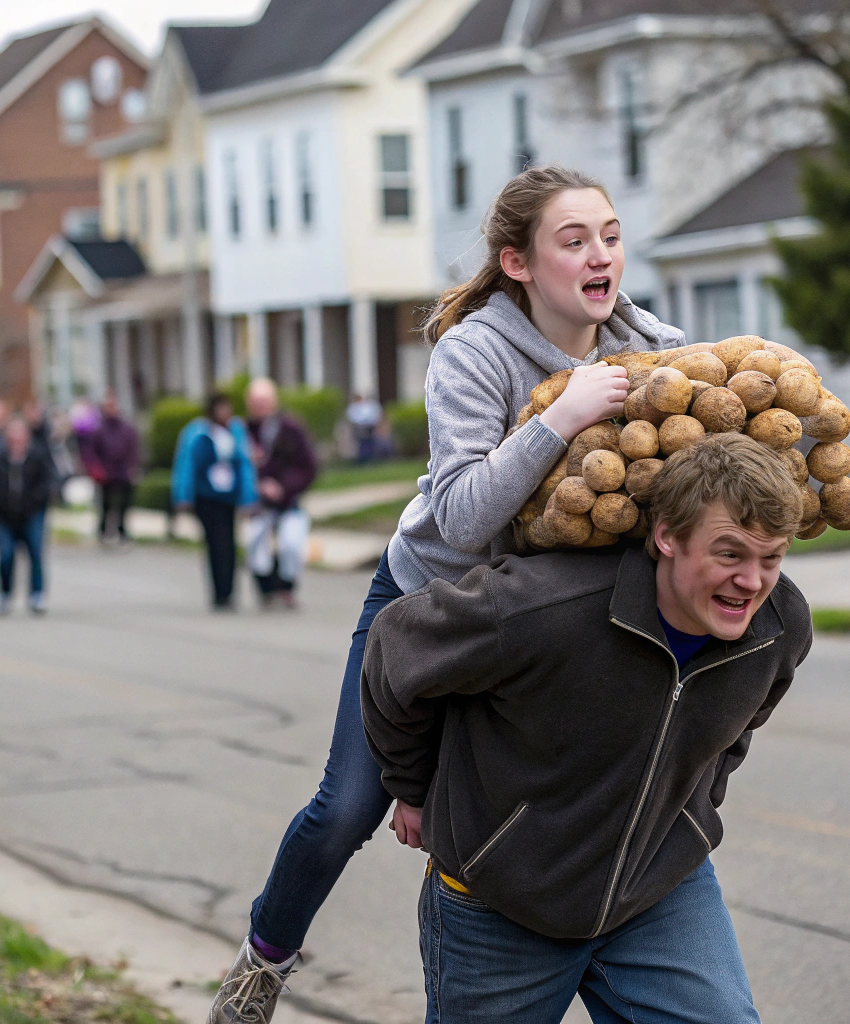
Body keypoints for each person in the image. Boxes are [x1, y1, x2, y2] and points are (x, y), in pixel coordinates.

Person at [207, 165, 686, 1024]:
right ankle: (262, 959)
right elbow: (463, 517)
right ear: (518, 263)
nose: (600, 253)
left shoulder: (649, 347)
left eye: (609, 235)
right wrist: (560, 418)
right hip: (427, 605)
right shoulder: (474, 351)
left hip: (541, 628)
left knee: (505, 818)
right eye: (573, 240)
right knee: (351, 806)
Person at [363, 434, 813, 1024]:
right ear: (668, 537)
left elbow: (734, 732)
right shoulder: (537, 610)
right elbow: (395, 649)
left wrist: (683, 812)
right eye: (730, 554)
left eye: (771, 558)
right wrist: (413, 785)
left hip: (656, 893)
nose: (752, 582)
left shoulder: (780, 628)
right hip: (503, 903)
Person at [178, 393, 256, 609]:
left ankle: (229, 590)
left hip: (227, 497)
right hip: (207, 497)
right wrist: (183, 496)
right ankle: (218, 592)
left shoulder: (235, 431)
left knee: (229, 544)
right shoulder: (198, 432)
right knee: (215, 544)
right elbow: (187, 465)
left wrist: (249, 497)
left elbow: (244, 464)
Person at [245, 379, 318, 609]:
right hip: (257, 504)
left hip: (288, 502)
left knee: (290, 545)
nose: (261, 407)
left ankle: (286, 588)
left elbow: (307, 466)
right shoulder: (244, 431)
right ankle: (266, 589)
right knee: (254, 544)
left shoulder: (290, 429)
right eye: (256, 403)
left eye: (265, 402)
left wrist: (283, 487)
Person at [0, 416, 54, 615]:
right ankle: (5, 593)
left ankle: (37, 594)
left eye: (20, 436)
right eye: (12, 437)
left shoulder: (38, 457)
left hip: (32, 514)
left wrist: (36, 502)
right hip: (4, 516)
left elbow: (48, 482)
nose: (16, 441)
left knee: (35, 553)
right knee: (5, 554)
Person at [90, 392, 139, 544]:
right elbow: (93, 451)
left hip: (122, 471)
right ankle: (104, 530)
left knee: (124, 503)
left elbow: (133, 449)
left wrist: (132, 467)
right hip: (106, 472)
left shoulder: (126, 429)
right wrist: (97, 469)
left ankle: (121, 530)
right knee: (105, 504)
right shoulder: (99, 430)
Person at [346, 393, 385, 462]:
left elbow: (374, 416)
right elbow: (353, 418)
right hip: (359, 427)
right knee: (362, 443)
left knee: (370, 442)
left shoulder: (368, 406)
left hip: (369, 427)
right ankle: (362, 458)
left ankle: (370, 458)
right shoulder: (354, 407)